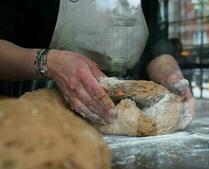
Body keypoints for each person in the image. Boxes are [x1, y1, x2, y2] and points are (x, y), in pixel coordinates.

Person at [0, 0, 195, 126]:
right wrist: (50, 62)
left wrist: (171, 75)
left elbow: (156, 48)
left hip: (128, 110)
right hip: (41, 115)